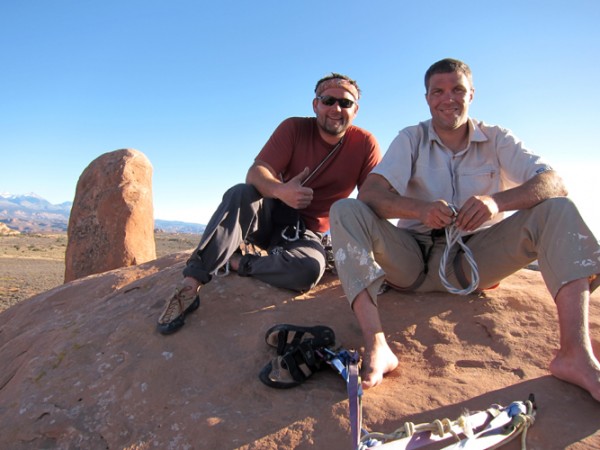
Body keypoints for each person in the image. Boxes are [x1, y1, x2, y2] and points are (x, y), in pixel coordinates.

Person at [329, 58, 600, 401]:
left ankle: (575, 354)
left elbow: (554, 182)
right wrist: (421, 209)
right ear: (427, 98)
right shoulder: (411, 138)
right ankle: (378, 345)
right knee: (345, 209)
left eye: (457, 89)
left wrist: (496, 202)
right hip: (412, 260)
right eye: (438, 91)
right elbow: (371, 194)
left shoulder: (497, 137)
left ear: (471, 94)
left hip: (474, 261)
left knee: (558, 209)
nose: (448, 98)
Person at [157, 73, 382, 335]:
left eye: (345, 103)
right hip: (273, 213)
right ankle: (190, 284)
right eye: (328, 100)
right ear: (315, 104)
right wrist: (282, 190)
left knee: (308, 270)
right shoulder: (294, 128)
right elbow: (256, 173)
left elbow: (371, 199)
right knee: (241, 193)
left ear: (355, 110)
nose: (336, 109)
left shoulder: (365, 144)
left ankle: (236, 263)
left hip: (308, 234)